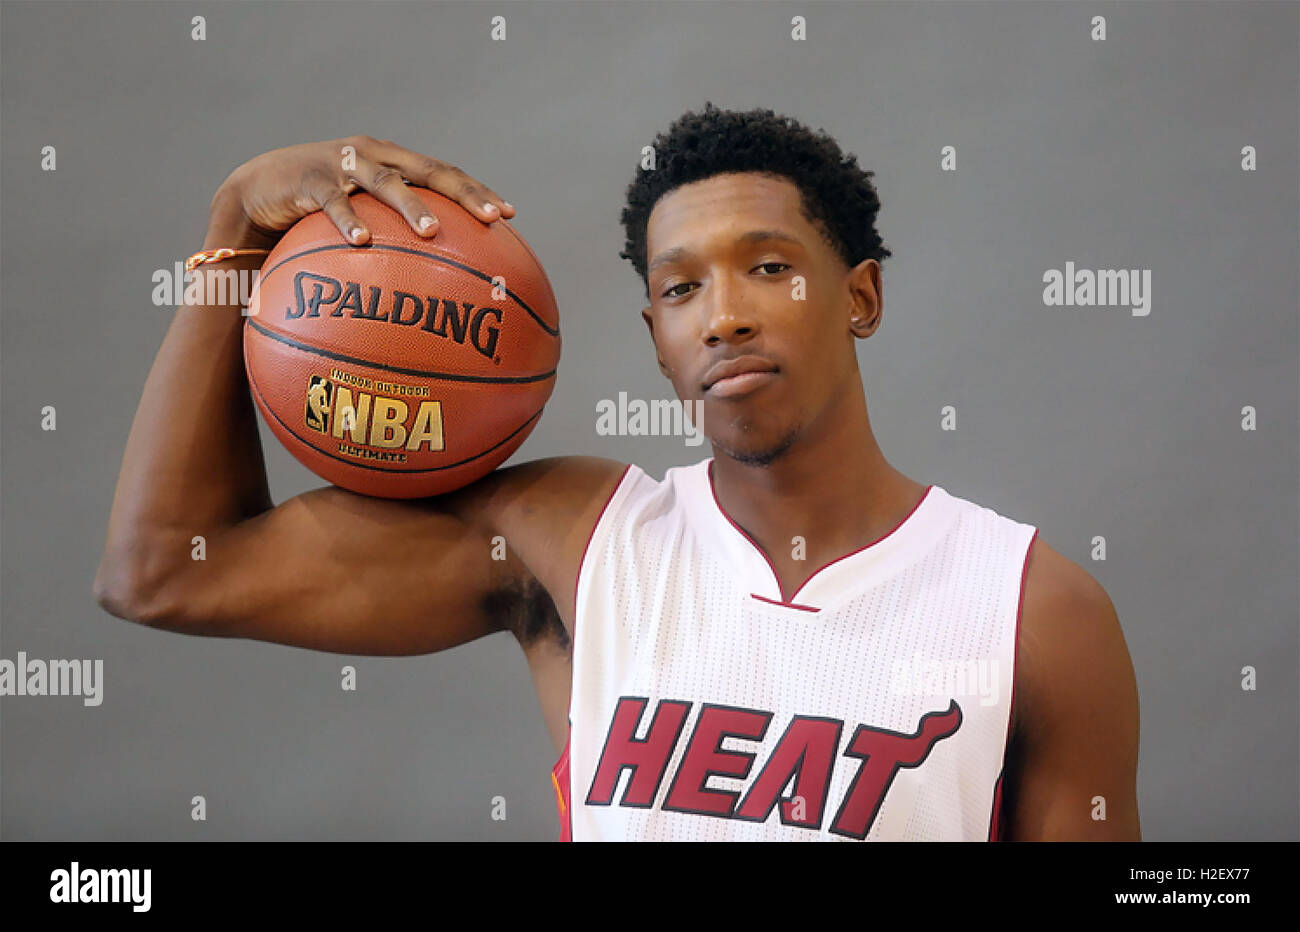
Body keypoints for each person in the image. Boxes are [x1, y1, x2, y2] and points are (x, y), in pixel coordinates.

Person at [95, 103, 1140, 841]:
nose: (722, 313)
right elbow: (165, 570)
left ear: (858, 297)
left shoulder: (1027, 605)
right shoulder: (572, 539)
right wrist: (236, 229)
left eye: (768, 267)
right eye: (681, 288)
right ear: (655, 338)